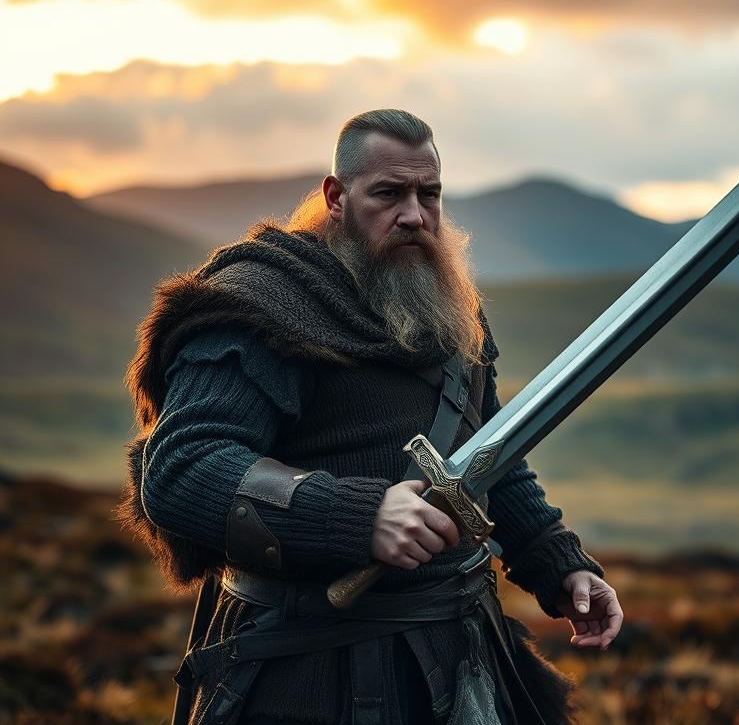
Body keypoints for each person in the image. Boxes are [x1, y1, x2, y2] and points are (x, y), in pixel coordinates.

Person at [120, 108, 623, 725]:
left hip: (462, 653)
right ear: (336, 197)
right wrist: (359, 516)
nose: (414, 214)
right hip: (304, 670)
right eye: (388, 194)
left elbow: (486, 457)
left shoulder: (445, 306)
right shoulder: (261, 306)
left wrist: (558, 563)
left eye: (428, 194)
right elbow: (183, 469)